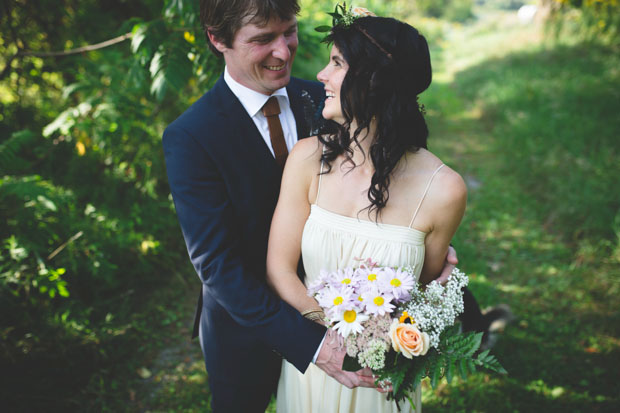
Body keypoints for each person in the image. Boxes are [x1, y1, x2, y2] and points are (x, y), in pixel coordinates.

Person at [162, 1, 379, 411]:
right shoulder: (191, 136)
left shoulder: (323, 100)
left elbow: (378, 173)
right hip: (244, 330)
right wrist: (315, 345)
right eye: (263, 40)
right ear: (217, 38)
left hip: (340, 310)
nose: (283, 51)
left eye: (289, 32)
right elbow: (217, 265)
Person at [265, 11, 465, 412]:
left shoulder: (444, 189)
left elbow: (420, 291)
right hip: (316, 368)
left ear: (375, 81)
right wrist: (333, 335)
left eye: (337, 63)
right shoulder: (308, 159)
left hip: (381, 383)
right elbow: (279, 267)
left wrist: (439, 295)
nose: (321, 74)